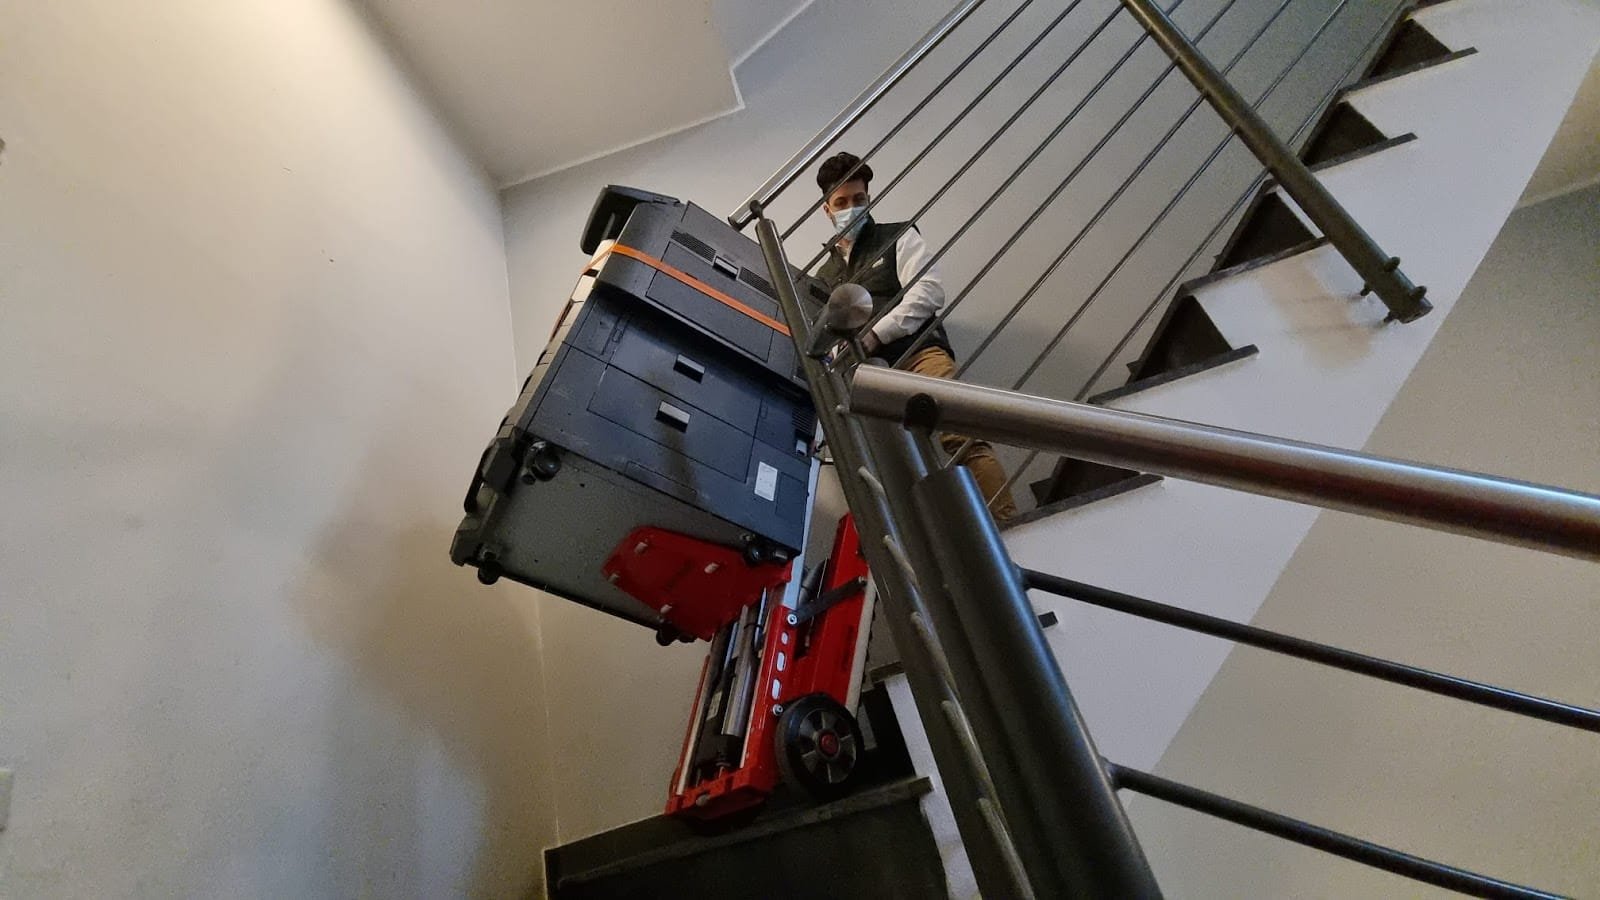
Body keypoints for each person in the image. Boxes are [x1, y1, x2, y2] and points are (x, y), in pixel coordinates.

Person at [814, 151, 1018, 521]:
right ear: (827, 211)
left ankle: (1010, 527)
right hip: (870, 380)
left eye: (859, 200)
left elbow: (928, 293)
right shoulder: (823, 277)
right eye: (841, 203)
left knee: (960, 438)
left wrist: (875, 335)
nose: (851, 208)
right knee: (899, 473)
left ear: (869, 198)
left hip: (920, 354)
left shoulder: (899, 236)